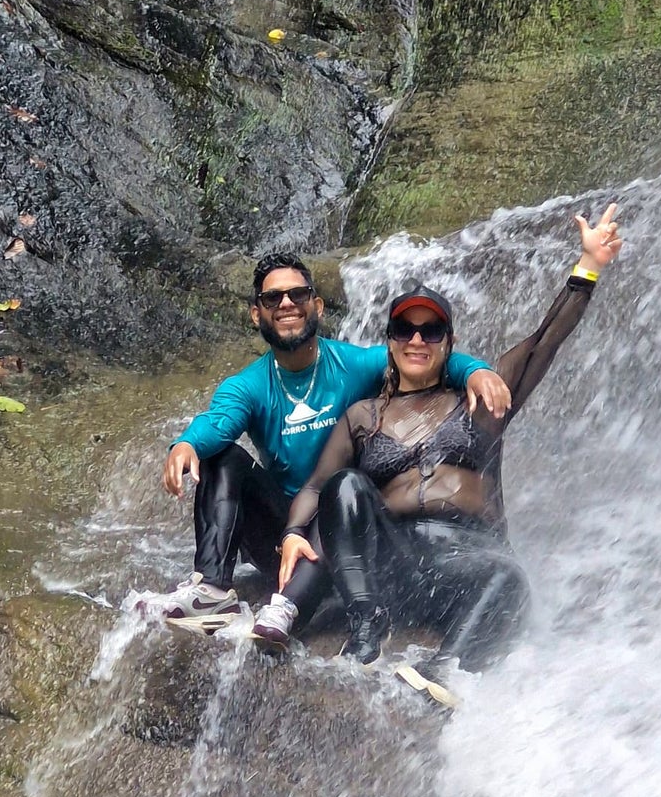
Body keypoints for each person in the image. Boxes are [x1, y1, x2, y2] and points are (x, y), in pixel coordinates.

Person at [275, 204, 622, 673]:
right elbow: (318, 487)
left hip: (465, 559)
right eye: (405, 329)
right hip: (393, 564)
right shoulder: (363, 416)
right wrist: (295, 534)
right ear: (391, 342)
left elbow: (543, 342)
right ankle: (365, 620)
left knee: (508, 577)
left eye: (430, 329)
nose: (417, 340)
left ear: (447, 341)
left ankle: (442, 670)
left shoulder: (482, 399)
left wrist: (589, 268)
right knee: (345, 485)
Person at [161, 253, 512, 640]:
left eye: (298, 294)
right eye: (272, 299)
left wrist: (476, 371)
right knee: (222, 456)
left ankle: (306, 609)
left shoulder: (355, 364)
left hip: (351, 526)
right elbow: (219, 422)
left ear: (317, 305)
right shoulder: (248, 385)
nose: (287, 304)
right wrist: (187, 443)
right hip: (289, 530)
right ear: (256, 314)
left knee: (343, 488)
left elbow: (422, 355)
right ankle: (212, 590)